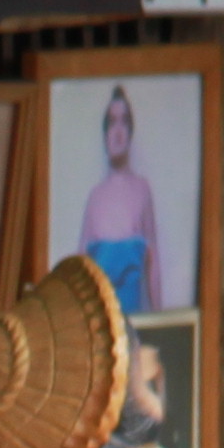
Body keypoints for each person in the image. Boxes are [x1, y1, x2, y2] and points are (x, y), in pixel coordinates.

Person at [75, 84, 162, 316]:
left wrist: (160, 320)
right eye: (112, 122)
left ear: (130, 131)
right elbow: (79, 268)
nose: (118, 131)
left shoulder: (142, 190)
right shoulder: (95, 197)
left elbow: (153, 262)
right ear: (105, 134)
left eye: (123, 121)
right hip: (101, 319)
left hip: (134, 319)